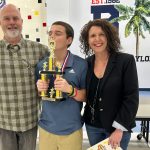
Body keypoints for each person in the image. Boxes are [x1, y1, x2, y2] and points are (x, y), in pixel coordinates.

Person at [79, 19, 139, 150]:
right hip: (92, 126)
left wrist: (119, 129)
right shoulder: (86, 63)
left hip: (117, 128)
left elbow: (131, 98)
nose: (97, 39)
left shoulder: (125, 61)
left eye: (102, 34)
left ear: (109, 37)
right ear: (87, 40)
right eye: (92, 36)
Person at [0, 4, 48, 150]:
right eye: (6, 18)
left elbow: (52, 77)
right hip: (4, 122)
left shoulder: (40, 50)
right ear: (0, 22)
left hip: (30, 121)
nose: (11, 22)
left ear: (22, 22)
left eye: (15, 18)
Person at [36, 21, 87, 150]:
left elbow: (86, 96)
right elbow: (39, 95)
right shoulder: (42, 65)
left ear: (69, 40)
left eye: (58, 33)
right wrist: (39, 89)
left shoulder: (81, 65)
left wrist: (70, 90)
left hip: (71, 130)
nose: (52, 36)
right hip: (46, 128)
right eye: (50, 33)